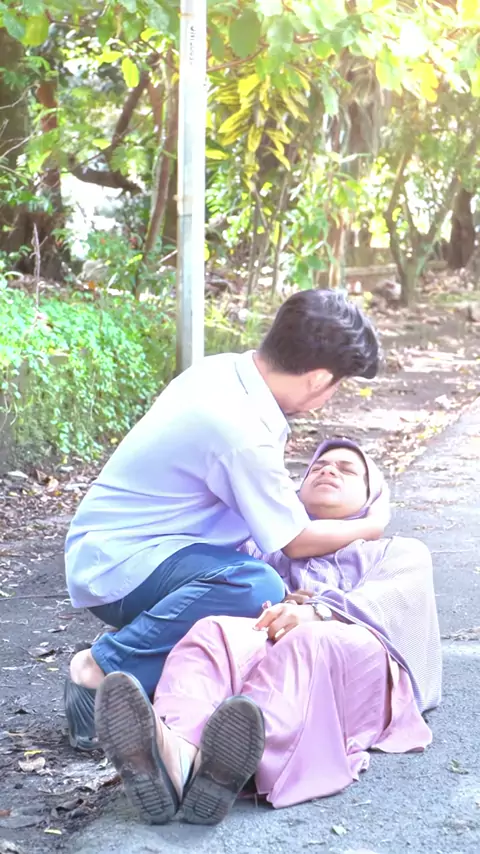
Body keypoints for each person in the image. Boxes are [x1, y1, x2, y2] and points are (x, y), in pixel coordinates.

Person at [64, 290, 383, 751]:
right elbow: (295, 540)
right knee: (253, 586)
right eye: (338, 384)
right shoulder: (241, 430)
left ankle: (153, 667)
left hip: (129, 549)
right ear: (317, 378)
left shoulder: (222, 371)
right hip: (123, 564)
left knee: (261, 585)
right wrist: (372, 524)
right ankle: (99, 668)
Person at [94, 439, 442, 825]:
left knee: (308, 641)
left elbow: (390, 601)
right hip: (272, 645)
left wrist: (318, 611)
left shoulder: (400, 550)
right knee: (211, 631)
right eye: (318, 467)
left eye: (347, 470)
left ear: (371, 498)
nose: (328, 470)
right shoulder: (261, 550)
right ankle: (177, 751)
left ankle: (236, 758)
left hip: (350, 654)